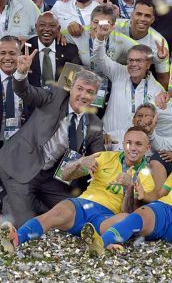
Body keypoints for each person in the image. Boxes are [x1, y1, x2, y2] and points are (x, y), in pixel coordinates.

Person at [0, 126, 159, 255]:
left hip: (105, 218)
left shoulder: (146, 176)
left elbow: (131, 215)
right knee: (54, 213)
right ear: (123, 144)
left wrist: (129, 187)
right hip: (82, 206)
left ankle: (100, 242)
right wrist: (79, 163)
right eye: (129, 143)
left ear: (147, 148)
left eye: (139, 144)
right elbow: (65, 175)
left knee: (124, 218)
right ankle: (16, 239)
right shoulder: (106, 157)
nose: (133, 148)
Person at [0, 52, 104, 227]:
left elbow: (100, 158)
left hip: (49, 177)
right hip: (19, 164)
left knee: (73, 211)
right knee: (27, 225)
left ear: (95, 96)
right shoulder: (54, 96)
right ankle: (14, 200)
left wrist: (94, 164)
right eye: (80, 88)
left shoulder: (95, 124)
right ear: (71, 87)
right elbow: (25, 91)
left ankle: (14, 201)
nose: (83, 95)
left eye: (89, 92)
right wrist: (21, 73)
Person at [93, 23, 165, 135]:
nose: (134, 64)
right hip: (108, 139)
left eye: (139, 61)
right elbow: (99, 58)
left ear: (148, 64)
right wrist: (100, 38)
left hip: (135, 142)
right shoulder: (118, 72)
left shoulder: (157, 90)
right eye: (131, 60)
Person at [115, 0, 171, 88]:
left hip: (138, 84)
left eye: (147, 16)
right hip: (111, 75)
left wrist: (161, 95)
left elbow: (163, 78)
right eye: (139, 14)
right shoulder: (115, 26)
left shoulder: (160, 42)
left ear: (152, 19)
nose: (142, 19)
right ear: (132, 15)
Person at [26, 12, 81, 88]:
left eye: (52, 26)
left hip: (60, 94)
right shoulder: (26, 48)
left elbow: (74, 82)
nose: (47, 29)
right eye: (42, 25)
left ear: (58, 29)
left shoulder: (70, 50)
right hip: (32, 94)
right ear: (36, 27)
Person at [0, 36, 24, 148]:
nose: (7, 58)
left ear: (20, 55)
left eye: (12, 53)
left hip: (23, 143)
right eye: (2, 53)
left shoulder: (30, 79)